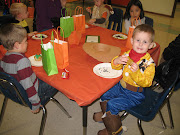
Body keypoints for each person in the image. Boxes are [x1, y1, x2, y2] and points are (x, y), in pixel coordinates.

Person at [93, 24, 155, 135]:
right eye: (138, 40)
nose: (140, 44)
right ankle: (107, 117)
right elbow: (116, 67)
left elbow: (147, 82)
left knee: (112, 104)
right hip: (121, 86)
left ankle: (115, 130)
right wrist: (116, 61)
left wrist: (136, 73)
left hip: (135, 94)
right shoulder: (128, 53)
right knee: (104, 93)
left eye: (145, 42)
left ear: (150, 45)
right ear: (132, 40)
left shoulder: (149, 64)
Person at [0, 24, 57, 114]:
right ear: (17, 45)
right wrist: (35, 104)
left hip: (15, 93)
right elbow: (28, 85)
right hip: (31, 94)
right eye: (25, 41)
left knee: (41, 75)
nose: (27, 43)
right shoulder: (22, 61)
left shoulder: (3, 59)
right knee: (55, 78)